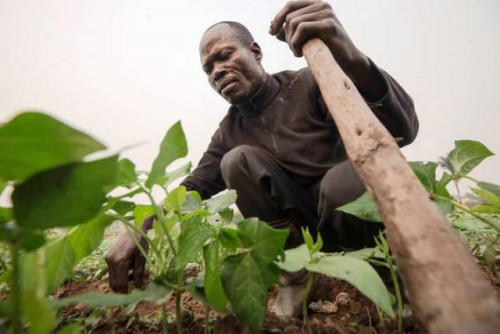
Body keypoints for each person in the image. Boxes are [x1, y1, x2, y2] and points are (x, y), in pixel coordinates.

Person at [106, 0, 418, 318]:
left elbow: (402, 130)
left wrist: (349, 55)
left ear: (255, 52)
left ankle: (387, 276)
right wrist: (140, 227)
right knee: (235, 161)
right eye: (208, 68)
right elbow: (192, 189)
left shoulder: (310, 83)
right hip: (303, 238)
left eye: (224, 55)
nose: (217, 71)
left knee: (342, 181)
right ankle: (295, 276)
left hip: (353, 220)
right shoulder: (229, 133)